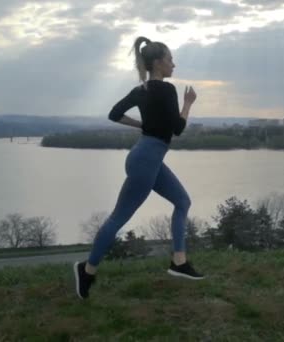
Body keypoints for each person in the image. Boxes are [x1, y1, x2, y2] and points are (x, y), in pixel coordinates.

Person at [73, 36, 205, 300]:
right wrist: (189, 103)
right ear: (157, 63)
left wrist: (140, 126)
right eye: (170, 60)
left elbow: (114, 113)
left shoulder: (141, 90)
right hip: (146, 159)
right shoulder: (167, 90)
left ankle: (179, 262)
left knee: (182, 201)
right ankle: (87, 271)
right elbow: (177, 129)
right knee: (118, 218)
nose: (173, 65)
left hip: (146, 156)